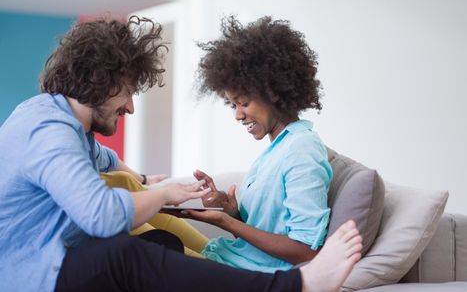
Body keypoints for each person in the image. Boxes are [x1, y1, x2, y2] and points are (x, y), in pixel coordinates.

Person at [0, 16, 362, 292]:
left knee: (159, 242)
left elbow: (102, 159)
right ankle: (295, 287)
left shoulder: (61, 123)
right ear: (102, 82)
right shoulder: (50, 133)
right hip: (27, 274)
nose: (130, 106)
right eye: (127, 92)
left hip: (42, 260)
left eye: (243, 101)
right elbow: (101, 216)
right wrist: (161, 195)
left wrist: (143, 181)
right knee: (121, 254)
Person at [180, 15, 335, 273]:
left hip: (255, 276)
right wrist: (232, 211)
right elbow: (265, 231)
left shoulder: (302, 149)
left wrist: (227, 223)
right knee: (150, 234)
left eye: (244, 103)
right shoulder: (278, 149)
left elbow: (306, 251)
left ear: (273, 92)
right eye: (233, 105)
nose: (238, 115)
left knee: (137, 252)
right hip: (235, 261)